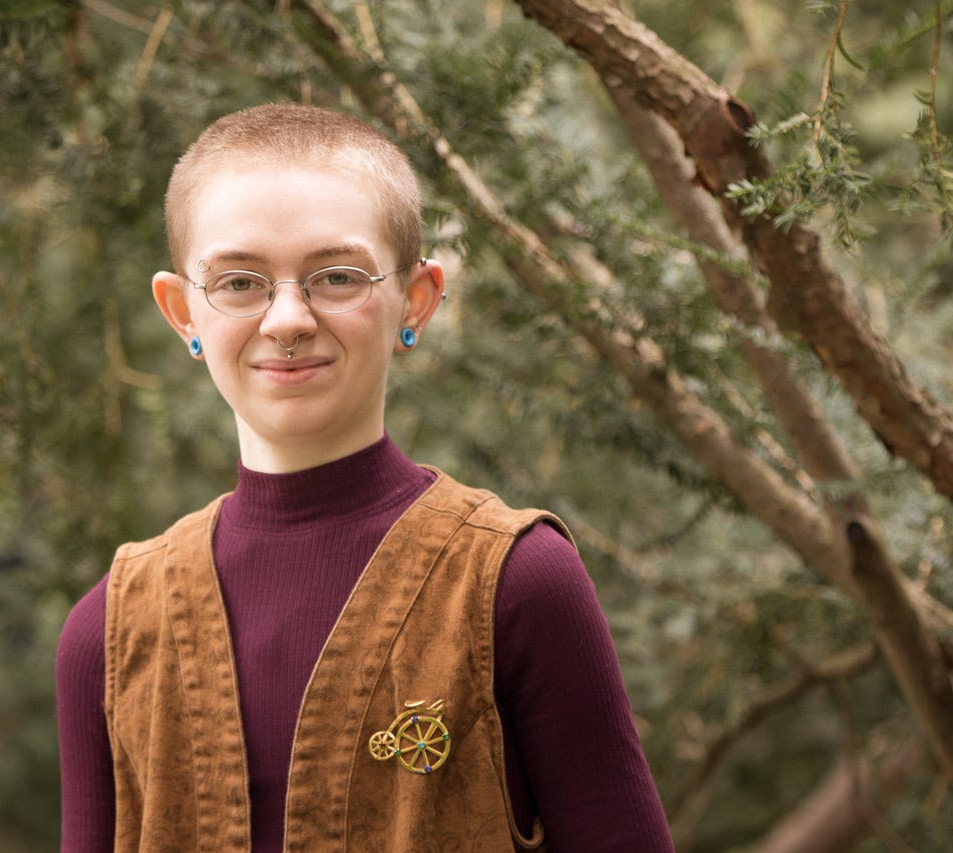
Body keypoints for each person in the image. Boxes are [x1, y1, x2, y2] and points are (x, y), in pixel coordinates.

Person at [56, 103, 675, 852]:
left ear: (416, 298)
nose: (287, 318)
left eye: (337, 276)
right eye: (241, 282)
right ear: (183, 311)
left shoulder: (516, 584)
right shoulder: (111, 633)